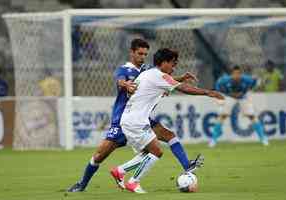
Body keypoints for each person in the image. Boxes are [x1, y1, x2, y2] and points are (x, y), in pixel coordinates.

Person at [67, 39, 202, 192]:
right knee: (99, 156)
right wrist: (125, 85)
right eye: (140, 53)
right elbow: (120, 81)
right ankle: (82, 184)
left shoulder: (148, 69)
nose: (142, 57)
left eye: (145, 54)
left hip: (142, 118)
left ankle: (187, 166)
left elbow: (163, 81)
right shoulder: (124, 69)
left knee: (167, 136)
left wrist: (180, 79)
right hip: (122, 120)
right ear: (132, 52)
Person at [116, 48, 224, 193]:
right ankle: (133, 182)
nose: (174, 67)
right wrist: (208, 92)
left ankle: (120, 171)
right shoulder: (159, 76)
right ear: (164, 63)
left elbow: (153, 86)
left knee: (157, 145)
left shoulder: (148, 74)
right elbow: (183, 88)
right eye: (173, 64)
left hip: (132, 118)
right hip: (136, 120)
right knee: (156, 152)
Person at [209, 65, 269, 147]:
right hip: (230, 97)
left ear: (241, 74)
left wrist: (254, 84)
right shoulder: (225, 80)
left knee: (252, 116)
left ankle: (263, 138)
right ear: (231, 74)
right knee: (222, 116)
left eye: (238, 74)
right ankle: (213, 140)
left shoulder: (247, 79)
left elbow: (254, 83)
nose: (236, 76)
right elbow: (217, 86)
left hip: (242, 97)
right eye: (234, 74)